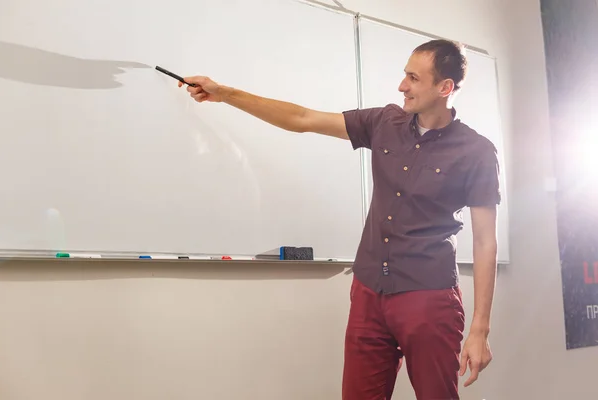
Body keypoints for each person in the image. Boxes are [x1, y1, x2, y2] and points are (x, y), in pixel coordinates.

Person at [178, 39, 500, 400]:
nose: (401, 86)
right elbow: (303, 119)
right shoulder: (384, 122)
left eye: (413, 78)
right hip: (368, 292)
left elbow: (486, 241)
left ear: (445, 88)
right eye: (403, 75)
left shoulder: (477, 152)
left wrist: (480, 330)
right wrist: (225, 93)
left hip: (428, 298)